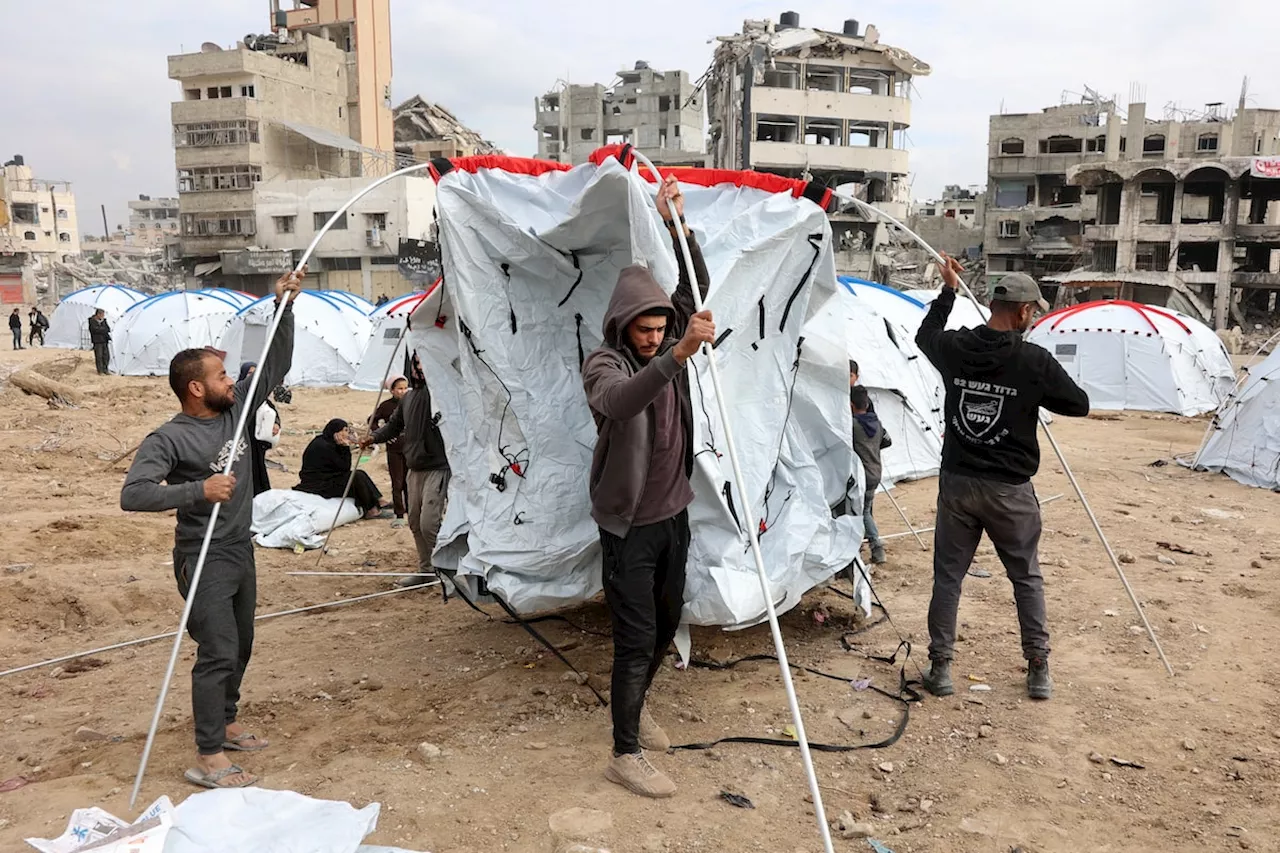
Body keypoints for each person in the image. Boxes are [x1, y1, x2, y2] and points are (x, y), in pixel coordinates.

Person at [120, 268, 302, 790]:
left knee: (241, 643)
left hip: (239, 549)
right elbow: (133, 495)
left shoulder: (238, 411)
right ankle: (207, 755)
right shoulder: (169, 439)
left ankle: (226, 722)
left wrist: (283, 308)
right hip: (201, 555)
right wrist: (196, 491)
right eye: (222, 377)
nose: (232, 382)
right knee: (217, 649)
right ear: (196, 387)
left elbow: (276, 363)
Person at [580, 175, 713, 799]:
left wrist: (676, 224)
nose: (657, 337)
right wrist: (675, 356)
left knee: (665, 626)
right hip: (628, 526)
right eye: (646, 330)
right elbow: (623, 404)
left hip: (673, 516)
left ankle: (636, 709)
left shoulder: (669, 336)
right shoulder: (604, 365)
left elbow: (694, 289)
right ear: (623, 326)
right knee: (634, 638)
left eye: (663, 329)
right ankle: (623, 752)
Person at [914, 260, 1090, 702]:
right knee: (1025, 577)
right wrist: (1032, 393)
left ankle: (941, 668)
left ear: (993, 303)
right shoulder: (1032, 360)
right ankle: (1038, 670)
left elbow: (925, 335)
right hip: (1010, 490)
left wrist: (948, 290)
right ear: (1026, 312)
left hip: (957, 483)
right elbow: (1078, 404)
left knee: (948, 577)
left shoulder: (955, 348)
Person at [362, 354, 451, 586]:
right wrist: (373, 438)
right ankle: (426, 570)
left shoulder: (444, 395)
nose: (420, 367)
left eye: (424, 361)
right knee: (414, 521)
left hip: (438, 467)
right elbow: (393, 426)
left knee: (429, 523)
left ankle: (447, 569)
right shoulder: (408, 398)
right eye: (416, 363)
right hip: (415, 467)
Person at [295, 419, 393, 519]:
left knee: (359, 474)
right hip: (318, 484)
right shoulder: (323, 446)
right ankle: (371, 510)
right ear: (336, 432)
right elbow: (344, 467)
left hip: (328, 478)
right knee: (355, 477)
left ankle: (379, 501)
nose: (346, 434)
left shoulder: (329, 442)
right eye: (344, 431)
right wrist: (345, 447)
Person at [850, 384, 892, 565]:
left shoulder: (852, 425)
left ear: (851, 405)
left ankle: (876, 547)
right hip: (875, 471)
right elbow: (887, 441)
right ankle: (870, 547)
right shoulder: (877, 422)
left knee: (861, 512)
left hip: (861, 474)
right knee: (867, 510)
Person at [369, 375, 410, 528]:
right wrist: (381, 435)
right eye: (400, 388)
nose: (403, 391)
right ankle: (399, 514)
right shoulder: (386, 406)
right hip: (394, 450)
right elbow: (372, 420)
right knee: (397, 482)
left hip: (410, 448)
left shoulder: (412, 403)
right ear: (392, 390)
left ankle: (411, 512)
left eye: (406, 388)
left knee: (410, 482)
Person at [239, 362, 281, 496]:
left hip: (256, 443)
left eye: (256, 374)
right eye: (250, 373)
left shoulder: (261, 396)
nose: (253, 377)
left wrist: (275, 425)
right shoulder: (237, 395)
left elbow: (272, 412)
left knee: (257, 470)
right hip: (240, 441)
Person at [89, 309, 112, 374]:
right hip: (97, 341)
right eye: (102, 314)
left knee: (106, 356)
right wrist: (102, 329)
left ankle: (105, 369)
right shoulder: (92, 321)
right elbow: (95, 330)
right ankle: (100, 371)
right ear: (98, 314)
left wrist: (101, 329)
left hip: (105, 340)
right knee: (99, 356)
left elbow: (108, 329)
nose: (103, 316)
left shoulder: (104, 321)